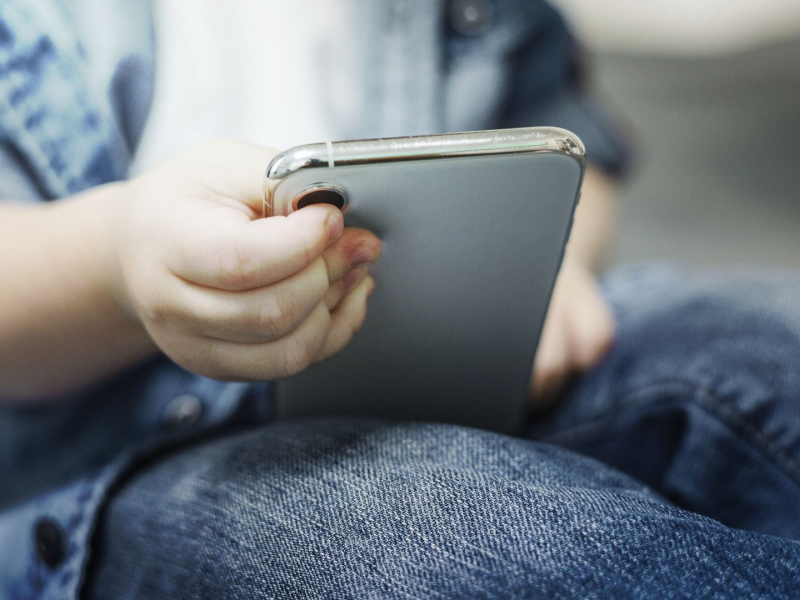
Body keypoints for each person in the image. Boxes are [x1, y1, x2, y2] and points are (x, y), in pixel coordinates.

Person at [0, 1, 798, 598]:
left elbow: (563, 127)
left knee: (760, 353)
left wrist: (562, 263)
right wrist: (118, 261)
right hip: (111, 458)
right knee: (470, 534)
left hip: (456, 358)